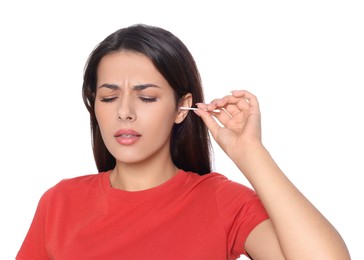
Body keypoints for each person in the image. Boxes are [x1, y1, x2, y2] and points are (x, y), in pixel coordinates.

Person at [16, 24, 350, 260]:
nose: (125, 112)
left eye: (146, 97)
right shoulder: (60, 202)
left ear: (180, 107)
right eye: (108, 98)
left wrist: (250, 153)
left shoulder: (221, 201)